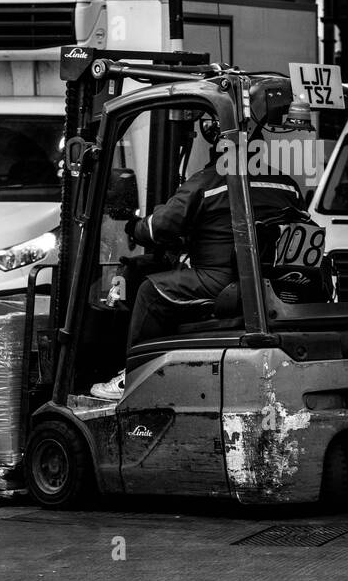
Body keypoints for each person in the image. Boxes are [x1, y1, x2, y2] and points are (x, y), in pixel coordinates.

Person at [90, 118, 304, 401]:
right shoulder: (288, 186)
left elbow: (159, 227)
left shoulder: (208, 182)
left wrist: (134, 226)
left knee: (150, 291)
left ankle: (134, 377)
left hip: (222, 281)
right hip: (272, 284)